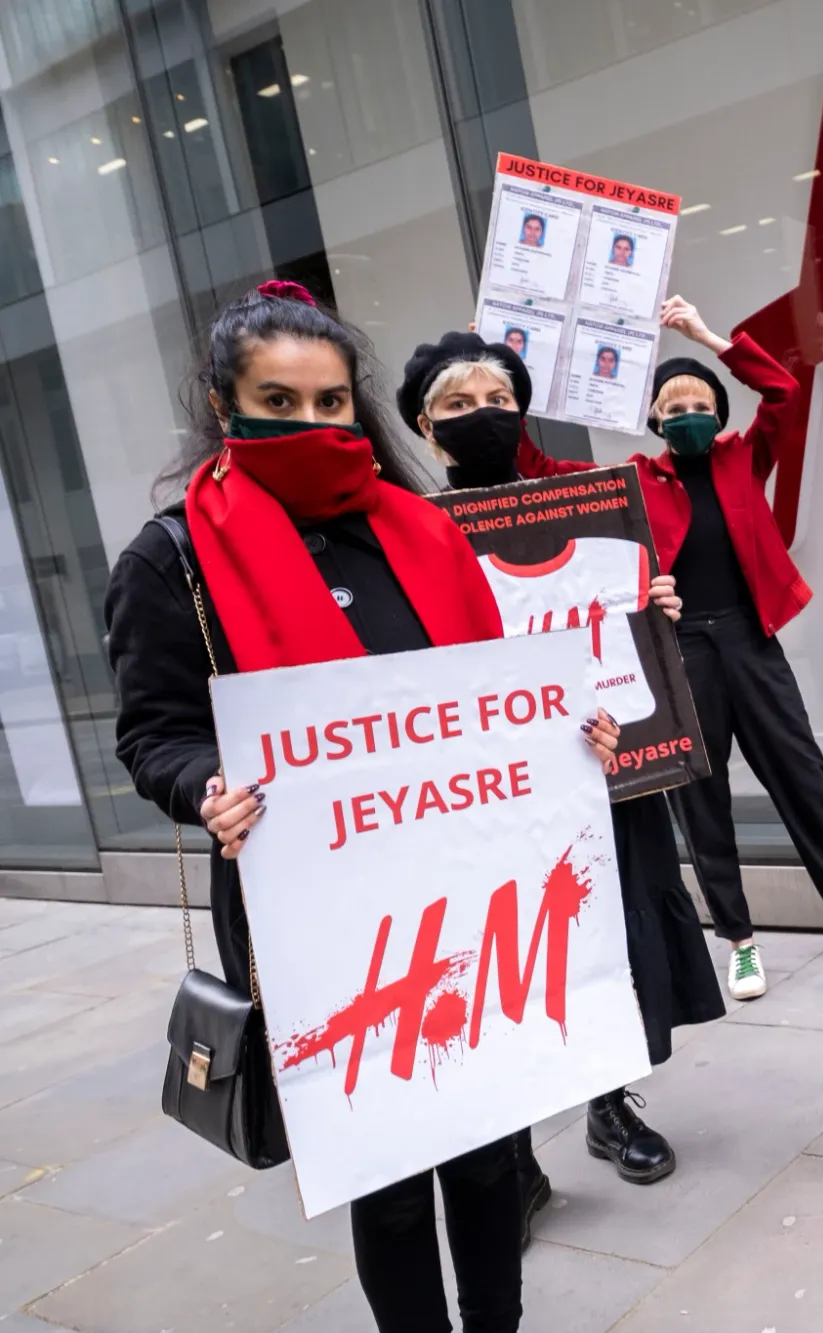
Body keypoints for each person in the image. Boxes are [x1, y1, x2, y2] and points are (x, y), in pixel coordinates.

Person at [106, 280, 621, 1332]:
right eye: (279, 402)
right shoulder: (171, 558)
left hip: (472, 890)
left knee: (488, 1151)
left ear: (358, 403)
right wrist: (205, 784)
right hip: (320, 918)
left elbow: (494, 694)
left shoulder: (422, 531)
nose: (310, 422)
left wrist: (571, 735)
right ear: (224, 403)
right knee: (385, 1177)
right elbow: (153, 733)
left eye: (330, 401)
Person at [397, 331, 727, 1236]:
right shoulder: (409, 531)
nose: (481, 417)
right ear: (425, 425)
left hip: (597, 765)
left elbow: (625, 625)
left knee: (607, 935)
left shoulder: (585, 506)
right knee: (501, 952)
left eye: (497, 400)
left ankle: (609, 1105)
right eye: (457, 405)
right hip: (485, 791)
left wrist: (653, 609)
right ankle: (509, 1158)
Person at [516, 294, 823, 1002]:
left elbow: (785, 391)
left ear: (718, 410)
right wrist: (514, 369)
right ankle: (738, 942)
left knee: (802, 778)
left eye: (699, 403)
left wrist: (708, 336)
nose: (687, 414)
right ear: (654, 420)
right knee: (702, 801)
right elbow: (538, 468)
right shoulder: (638, 480)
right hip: (682, 653)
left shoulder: (744, 456)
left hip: (750, 639)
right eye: (672, 407)